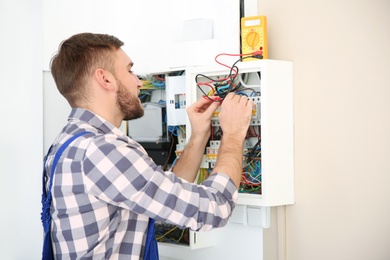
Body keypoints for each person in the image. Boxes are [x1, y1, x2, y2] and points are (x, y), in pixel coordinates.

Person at [45, 32, 253, 259]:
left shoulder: (68, 144)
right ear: (105, 79)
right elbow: (216, 209)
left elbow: (161, 200)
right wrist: (233, 134)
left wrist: (199, 135)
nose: (139, 81)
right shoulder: (103, 151)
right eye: (130, 70)